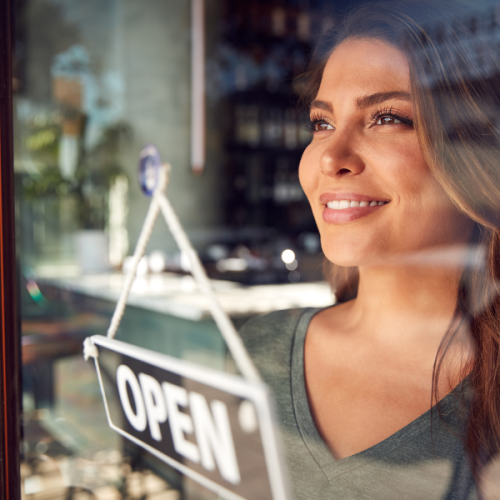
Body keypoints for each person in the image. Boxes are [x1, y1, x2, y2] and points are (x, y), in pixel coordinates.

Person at [240, 2, 500, 498]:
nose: (332, 157)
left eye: (386, 117)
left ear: (476, 154)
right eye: (321, 123)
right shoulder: (259, 354)